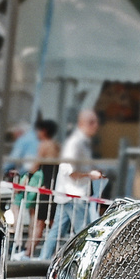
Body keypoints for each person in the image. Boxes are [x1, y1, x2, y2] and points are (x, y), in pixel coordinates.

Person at [38, 109, 102, 259]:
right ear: (81, 124)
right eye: (91, 122)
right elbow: (70, 170)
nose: (95, 126)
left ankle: (42, 261)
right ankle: (87, 263)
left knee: (56, 232)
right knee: (85, 232)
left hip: (70, 194)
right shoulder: (76, 143)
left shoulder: (80, 143)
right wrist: (90, 175)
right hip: (74, 195)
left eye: (95, 122)